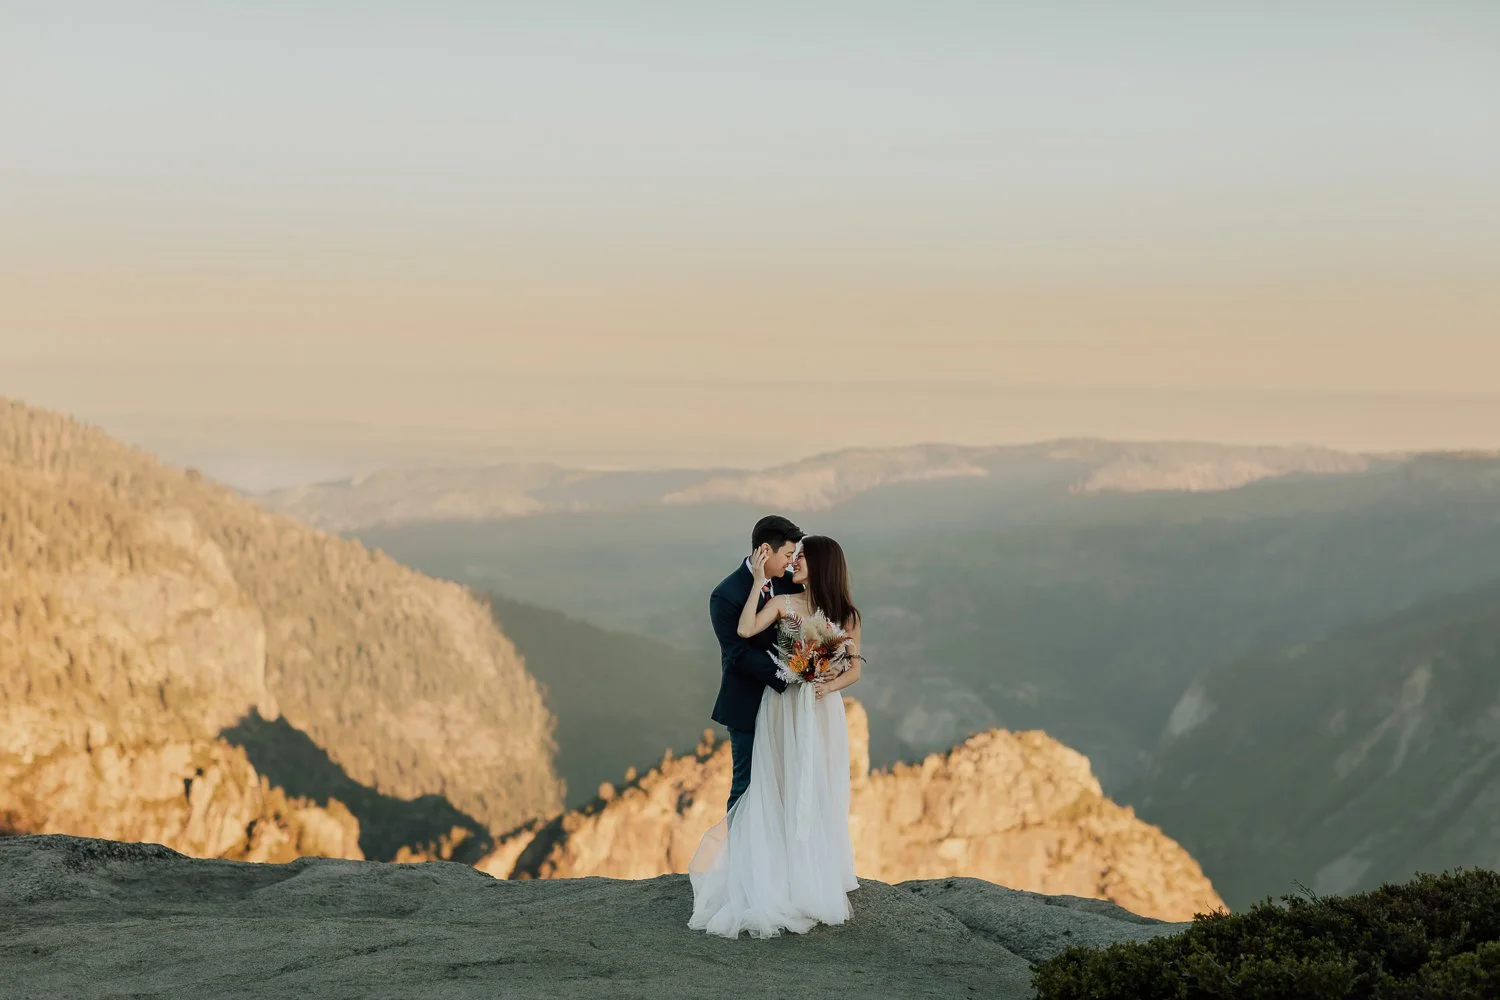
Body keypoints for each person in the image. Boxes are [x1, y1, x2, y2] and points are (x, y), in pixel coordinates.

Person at [690, 529, 864, 939]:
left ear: (820, 566)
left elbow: (854, 668)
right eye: (792, 554)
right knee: (776, 782)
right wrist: (757, 582)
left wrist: (825, 685)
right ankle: (762, 871)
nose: (794, 562)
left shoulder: (847, 615)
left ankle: (811, 870)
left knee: (817, 783)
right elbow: (744, 632)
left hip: (820, 709)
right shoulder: (780, 600)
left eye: (801, 556)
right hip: (782, 705)